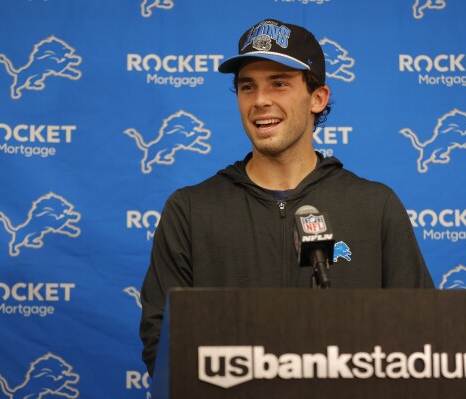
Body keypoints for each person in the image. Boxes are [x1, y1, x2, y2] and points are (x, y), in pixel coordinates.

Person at [139, 18, 435, 376]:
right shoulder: (190, 210)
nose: (260, 100)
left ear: (318, 97)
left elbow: (418, 340)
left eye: (279, 84)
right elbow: (163, 342)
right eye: (247, 87)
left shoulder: (375, 206)